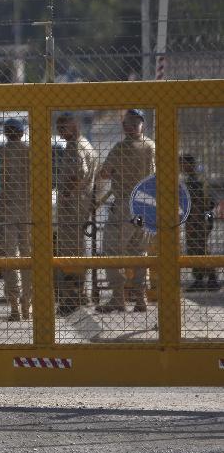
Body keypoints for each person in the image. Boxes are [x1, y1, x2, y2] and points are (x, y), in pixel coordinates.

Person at [96, 109, 156, 313]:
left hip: (124, 205)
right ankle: (140, 299)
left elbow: (104, 174)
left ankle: (118, 298)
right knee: (140, 252)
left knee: (112, 252)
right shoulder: (151, 146)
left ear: (125, 127)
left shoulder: (121, 148)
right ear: (143, 125)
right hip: (146, 205)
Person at [55, 113, 99, 315]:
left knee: (69, 253)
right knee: (79, 251)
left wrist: (65, 193)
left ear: (73, 126)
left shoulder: (75, 147)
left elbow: (78, 173)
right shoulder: (87, 145)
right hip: (82, 206)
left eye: (63, 128)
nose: (60, 133)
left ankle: (72, 298)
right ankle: (81, 294)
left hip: (72, 208)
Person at [0, 119, 32, 322]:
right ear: (22, 133)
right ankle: (27, 306)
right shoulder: (31, 153)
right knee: (29, 258)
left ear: (6, 133)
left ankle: (14, 306)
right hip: (30, 212)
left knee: (10, 259)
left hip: (6, 211)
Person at [180, 154, 219, 291]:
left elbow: (197, 203)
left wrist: (193, 220)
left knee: (197, 248)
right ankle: (206, 279)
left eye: (183, 163)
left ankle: (204, 279)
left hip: (197, 220)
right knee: (201, 248)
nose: (180, 166)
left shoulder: (194, 181)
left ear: (190, 164)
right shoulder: (199, 178)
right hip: (203, 218)